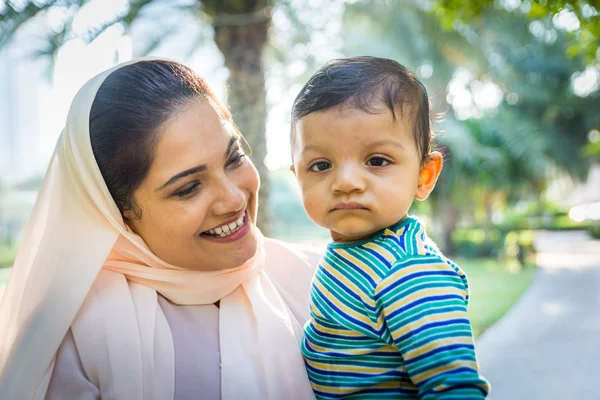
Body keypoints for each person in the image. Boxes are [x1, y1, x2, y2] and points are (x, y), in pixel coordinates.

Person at [0, 58, 320, 400]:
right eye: (188, 188)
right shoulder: (73, 341)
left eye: (234, 158)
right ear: (118, 212)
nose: (233, 198)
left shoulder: (319, 279)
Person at [290, 56, 490, 399]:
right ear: (297, 178)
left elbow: (455, 389)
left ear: (424, 176)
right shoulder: (352, 251)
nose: (346, 182)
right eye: (321, 165)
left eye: (377, 161)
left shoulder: (409, 271)